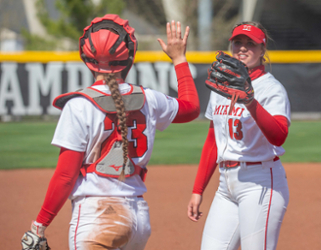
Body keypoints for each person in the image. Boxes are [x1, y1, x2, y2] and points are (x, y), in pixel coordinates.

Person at [21, 14, 199, 250]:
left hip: (97, 217)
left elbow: (66, 176)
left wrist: (40, 225)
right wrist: (179, 59)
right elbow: (192, 108)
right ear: (130, 55)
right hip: (138, 217)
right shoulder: (149, 98)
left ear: (86, 57)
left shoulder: (79, 105)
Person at [187, 21, 291, 250]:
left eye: (250, 44)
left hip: (260, 182)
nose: (243, 48)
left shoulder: (271, 88)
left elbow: (279, 135)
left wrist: (250, 102)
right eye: (238, 42)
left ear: (263, 50)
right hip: (226, 185)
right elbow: (213, 141)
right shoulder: (222, 87)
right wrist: (198, 190)